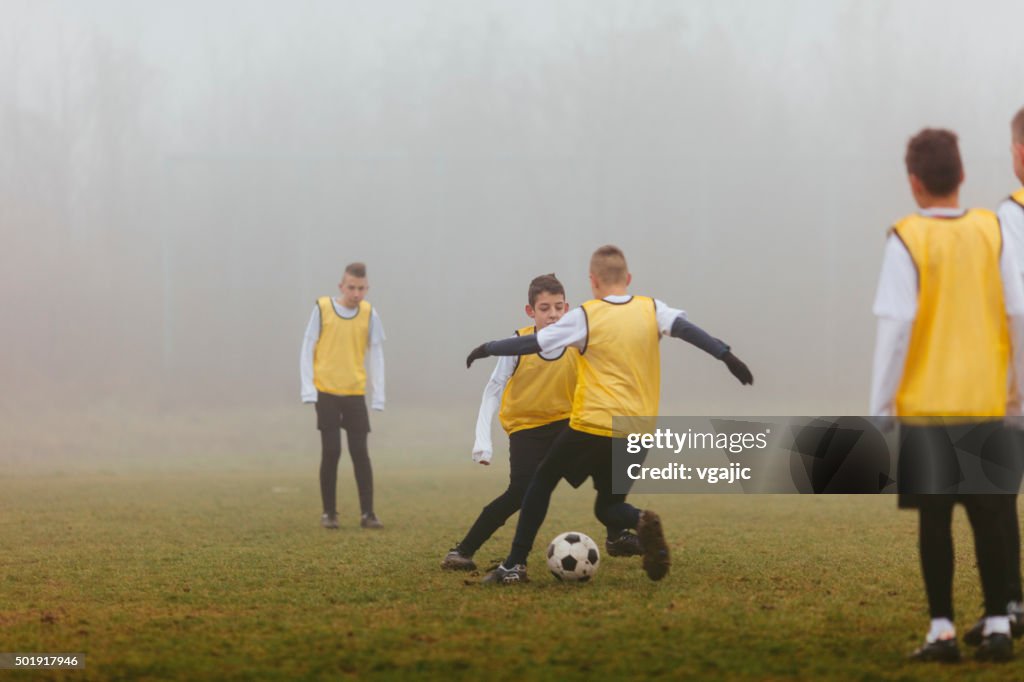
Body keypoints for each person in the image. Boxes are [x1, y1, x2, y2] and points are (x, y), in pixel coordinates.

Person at [466, 245, 753, 585]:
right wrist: (726, 355)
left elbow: (534, 344)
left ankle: (513, 565)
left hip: (592, 425)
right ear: (628, 278)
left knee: (541, 481)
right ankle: (642, 518)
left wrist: (488, 348)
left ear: (593, 281)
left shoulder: (587, 315)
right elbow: (689, 330)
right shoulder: (651, 308)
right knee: (608, 508)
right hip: (638, 432)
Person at [869, 128, 1024, 663]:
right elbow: (1017, 313)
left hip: (927, 406)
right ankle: (1001, 624)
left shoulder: (906, 237)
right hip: (987, 402)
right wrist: (1017, 391)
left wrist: (880, 407)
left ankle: (942, 631)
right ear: (962, 175)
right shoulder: (992, 229)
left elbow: (896, 328)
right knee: (991, 520)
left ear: (913, 182)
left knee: (935, 523)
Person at [443, 274, 641, 571]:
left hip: (568, 425)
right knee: (520, 492)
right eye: (545, 308)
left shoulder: (578, 343)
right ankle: (462, 551)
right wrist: (481, 441)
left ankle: (616, 536)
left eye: (558, 307)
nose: (553, 315)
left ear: (567, 308)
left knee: (608, 468)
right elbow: (493, 390)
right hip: (527, 430)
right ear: (530, 311)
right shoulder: (516, 344)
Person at [962, 106, 1024, 645]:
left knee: (996, 492)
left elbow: (1013, 304)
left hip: (1015, 382)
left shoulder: (1010, 216)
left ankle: (1009, 605)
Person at [300, 262, 386, 530]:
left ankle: (368, 513)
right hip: (326, 391)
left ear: (367, 288)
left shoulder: (370, 314)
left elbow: (377, 355)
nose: (356, 293)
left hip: (354, 393)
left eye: (361, 288)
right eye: (351, 287)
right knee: (331, 451)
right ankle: (329, 513)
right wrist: (308, 389)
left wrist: (378, 395)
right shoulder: (322, 308)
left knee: (360, 452)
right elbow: (307, 347)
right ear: (341, 286)